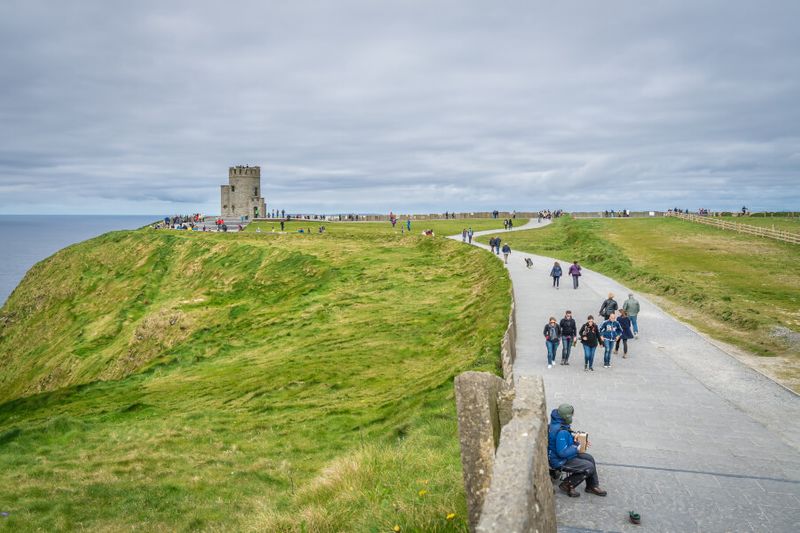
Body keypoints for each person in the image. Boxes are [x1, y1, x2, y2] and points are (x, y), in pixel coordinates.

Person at [548, 404, 607, 497]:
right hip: (560, 461)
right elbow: (562, 452)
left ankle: (592, 486)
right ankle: (567, 484)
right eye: (571, 415)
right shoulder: (561, 431)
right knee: (589, 466)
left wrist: (576, 437)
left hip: (566, 456)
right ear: (567, 416)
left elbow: (565, 437)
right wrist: (577, 446)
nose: (572, 416)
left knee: (589, 458)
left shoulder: (558, 423)